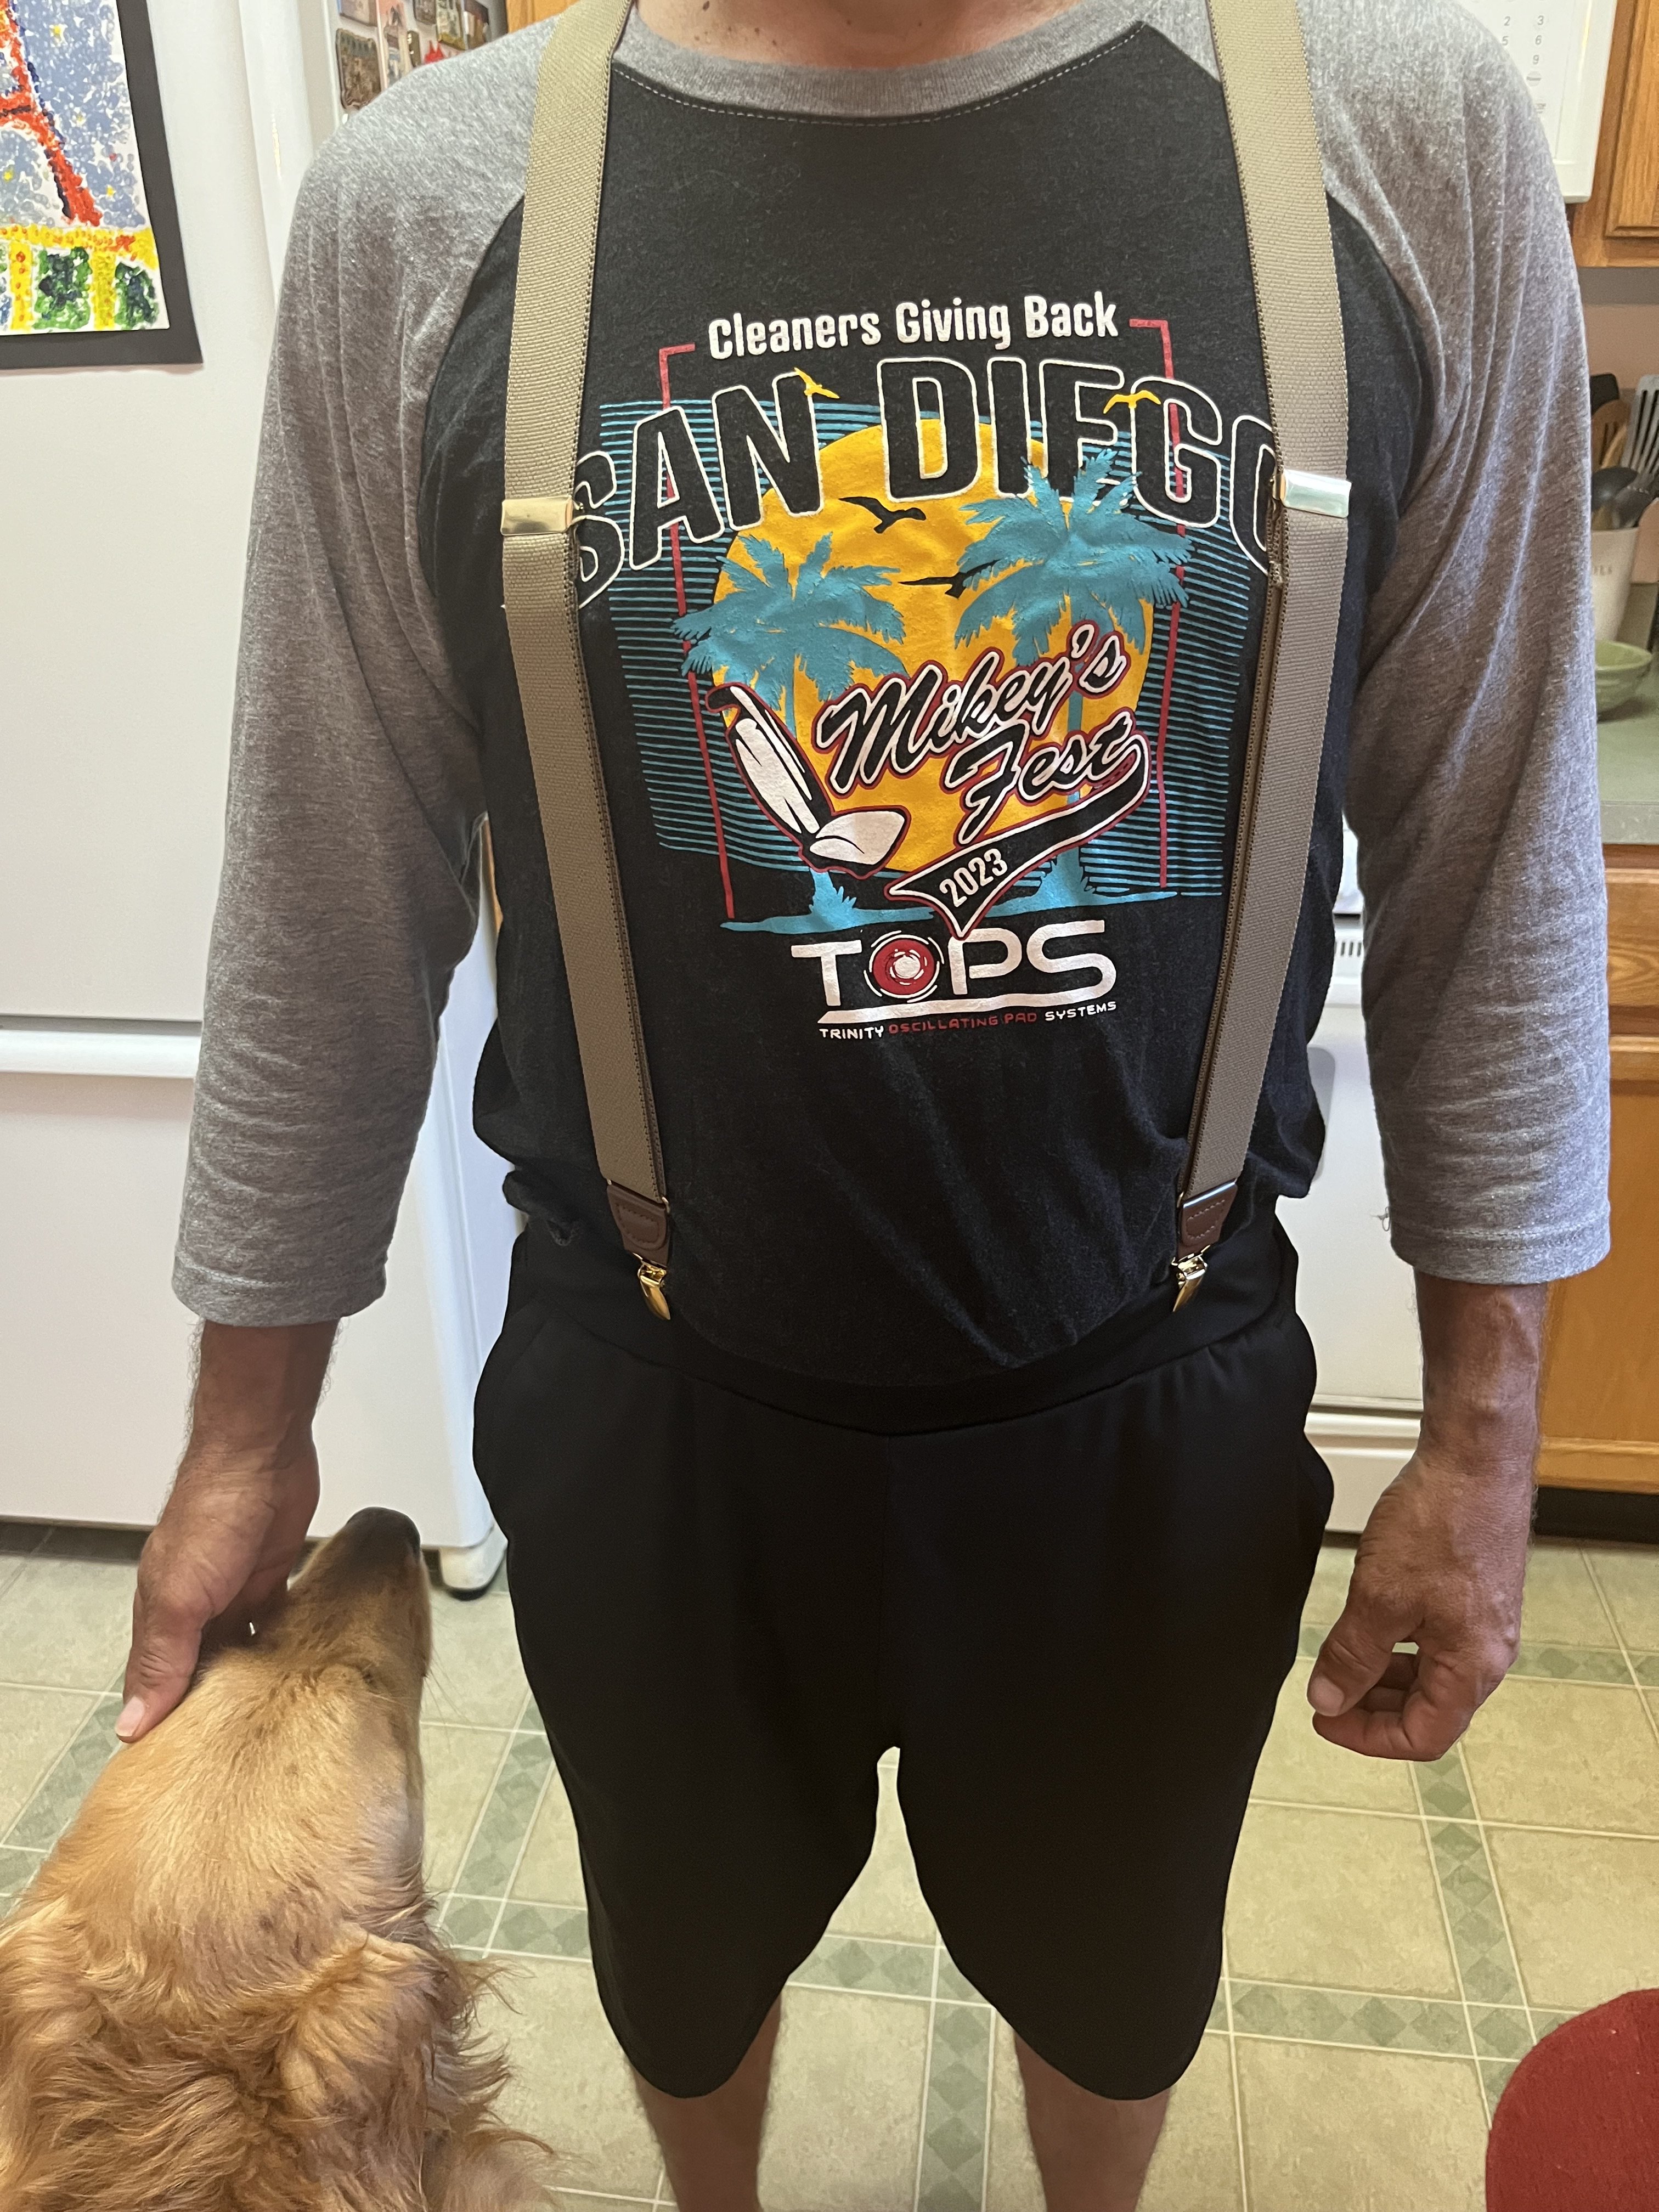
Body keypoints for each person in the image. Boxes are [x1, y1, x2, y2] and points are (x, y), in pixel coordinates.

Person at [121, 1, 1608, 2205]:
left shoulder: (1400, 139)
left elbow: (1500, 858)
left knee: (1117, 1990)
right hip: (653, 1404)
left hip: (1154, 1392)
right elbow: (324, 893)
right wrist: (246, 1429)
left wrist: (1489, 1434)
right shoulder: (424, 204)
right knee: (683, 1979)